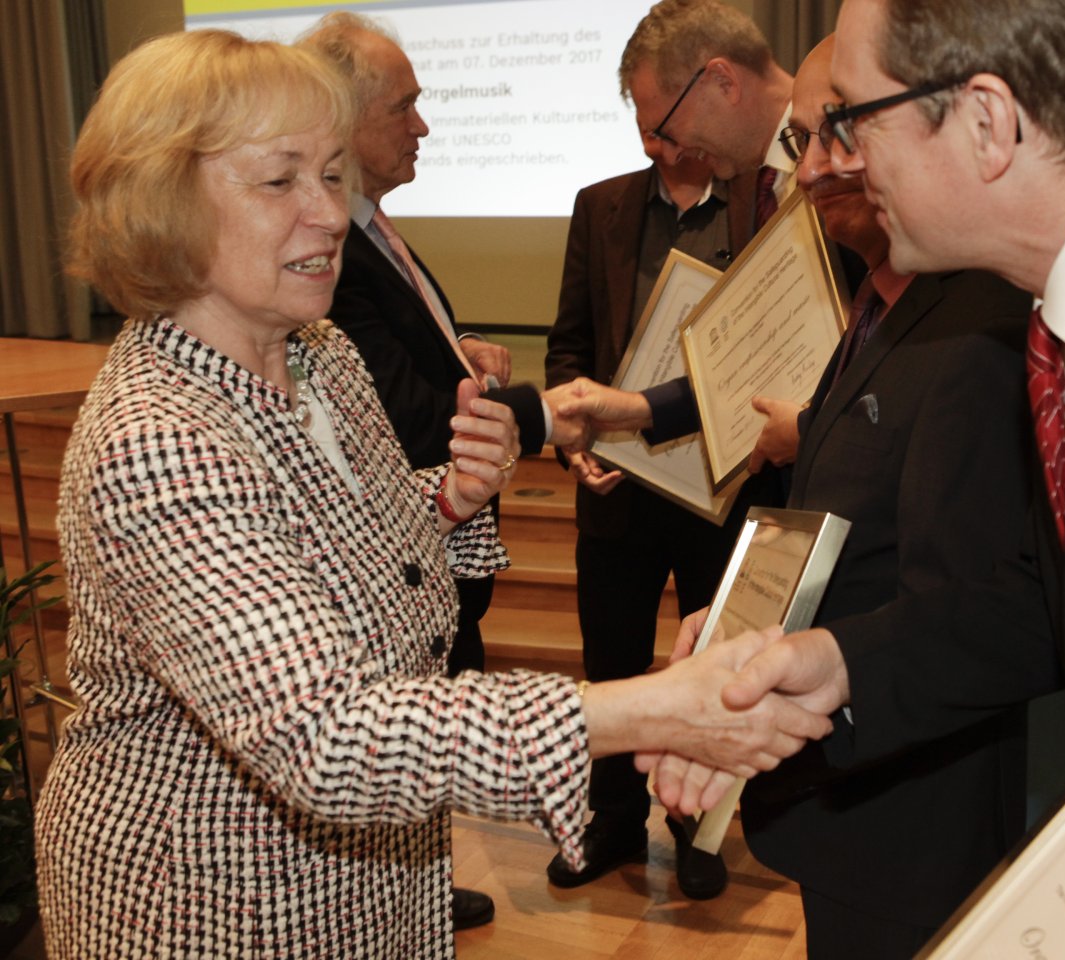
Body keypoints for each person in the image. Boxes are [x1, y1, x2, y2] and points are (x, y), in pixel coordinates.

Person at [33, 31, 835, 960]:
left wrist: (447, 500)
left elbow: (354, 534)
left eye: (333, 176)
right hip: (215, 904)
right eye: (281, 179)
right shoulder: (159, 435)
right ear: (161, 201)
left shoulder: (320, 357)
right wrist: (648, 709)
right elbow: (322, 734)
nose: (329, 215)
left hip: (367, 882)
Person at [661, 0, 1065, 840]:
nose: (830, 165)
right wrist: (842, 667)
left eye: (851, 117)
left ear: (987, 122)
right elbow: (1063, 604)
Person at [559, 35, 1035, 955]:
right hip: (859, 803)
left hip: (911, 811)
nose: (811, 169)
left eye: (832, 136)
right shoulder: (895, 298)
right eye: (805, 142)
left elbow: (980, 611)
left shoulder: (973, 320)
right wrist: (740, 624)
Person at [298, 12, 571, 686]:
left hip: (437, 572)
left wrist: (460, 345)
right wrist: (539, 414)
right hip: (407, 579)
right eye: (405, 107)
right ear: (343, 120)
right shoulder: (329, 257)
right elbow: (403, 421)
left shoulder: (367, 230)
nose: (421, 126)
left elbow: (402, 338)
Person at [541, 129, 753, 898]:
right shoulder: (601, 206)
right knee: (613, 663)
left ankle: (699, 827)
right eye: (644, 124)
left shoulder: (760, 205)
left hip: (721, 489)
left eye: (669, 122)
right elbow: (568, 348)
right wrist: (576, 447)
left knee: (716, 667)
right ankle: (615, 822)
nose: (658, 142)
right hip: (618, 489)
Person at [620, 0, 796, 233]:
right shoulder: (758, 189)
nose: (672, 157)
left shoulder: (847, 153)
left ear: (724, 82)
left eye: (668, 133)